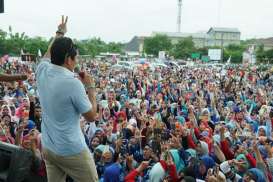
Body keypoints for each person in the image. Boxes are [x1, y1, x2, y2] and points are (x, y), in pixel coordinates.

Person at [36, 16, 98, 182]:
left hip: (48, 147)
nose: (76, 61)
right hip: (71, 150)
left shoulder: (41, 69)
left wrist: (60, 32)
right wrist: (91, 88)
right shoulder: (73, 83)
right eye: (75, 57)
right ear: (68, 59)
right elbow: (92, 117)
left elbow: (50, 51)